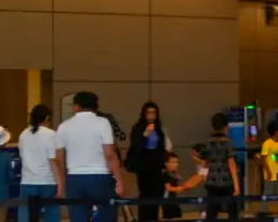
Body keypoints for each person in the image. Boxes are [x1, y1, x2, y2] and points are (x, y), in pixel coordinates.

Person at [55, 92, 126, 222]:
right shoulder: (102, 123)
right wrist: (119, 181)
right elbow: (110, 154)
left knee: (78, 217)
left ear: (76, 106)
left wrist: (62, 181)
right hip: (100, 177)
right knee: (105, 215)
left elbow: (59, 159)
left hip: (74, 178)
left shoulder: (64, 127)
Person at [19, 104, 63, 222]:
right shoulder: (51, 134)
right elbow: (53, 161)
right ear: (47, 117)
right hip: (47, 181)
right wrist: (60, 183)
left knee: (26, 215)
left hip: (27, 180)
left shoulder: (23, 134)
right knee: (51, 215)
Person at [127, 103, 172, 222]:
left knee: (157, 193)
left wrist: (163, 163)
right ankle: (144, 218)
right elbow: (136, 146)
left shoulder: (159, 129)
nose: (151, 115)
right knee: (145, 193)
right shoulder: (138, 128)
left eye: (153, 113)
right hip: (144, 165)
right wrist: (145, 135)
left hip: (156, 164)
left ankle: (153, 218)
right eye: (149, 113)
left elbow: (162, 147)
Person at [191, 113, 239, 222]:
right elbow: (231, 163)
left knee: (212, 211)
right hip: (227, 181)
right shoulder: (229, 143)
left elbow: (202, 159)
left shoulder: (208, 143)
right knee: (232, 211)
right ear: (226, 127)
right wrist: (236, 185)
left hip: (212, 181)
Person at [259, 122, 278, 216]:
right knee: (268, 195)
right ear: (275, 132)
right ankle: (263, 213)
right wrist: (268, 172)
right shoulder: (267, 144)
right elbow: (263, 159)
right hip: (270, 175)